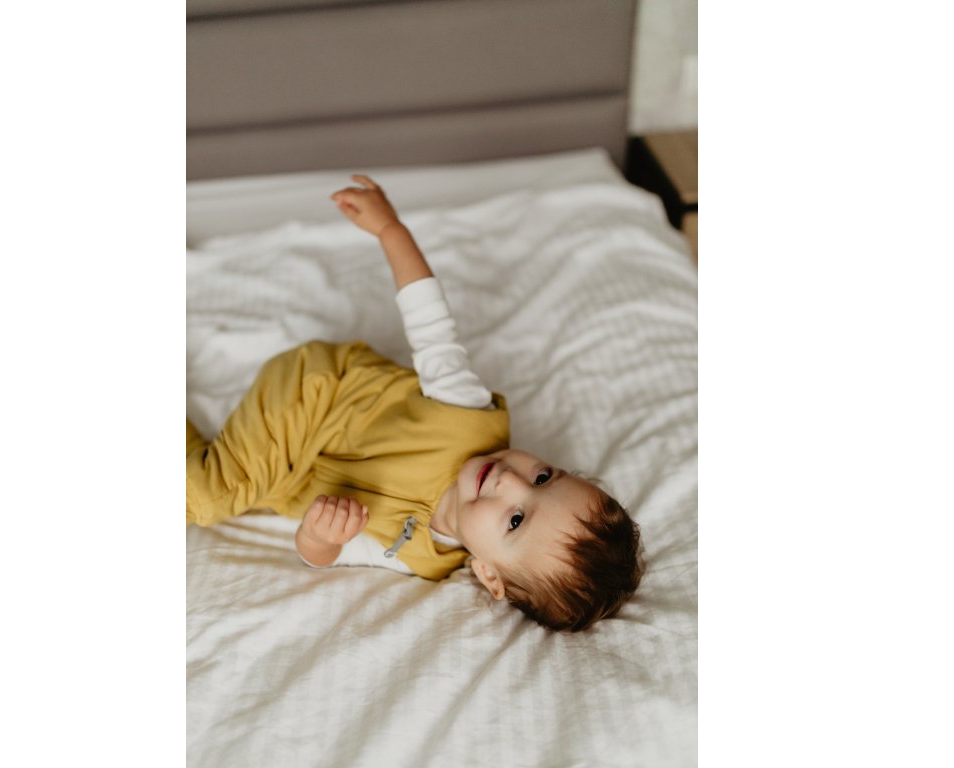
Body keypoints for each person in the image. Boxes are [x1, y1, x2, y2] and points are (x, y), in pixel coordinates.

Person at [186, 175, 643, 632]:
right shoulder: (465, 414)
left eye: (516, 519)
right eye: (543, 477)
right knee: (208, 499)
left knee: (226, 493)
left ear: (489, 575)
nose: (510, 480)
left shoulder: (420, 558)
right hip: (318, 394)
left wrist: (319, 536)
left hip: (288, 473)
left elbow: (327, 556)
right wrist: (390, 229)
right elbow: (430, 322)